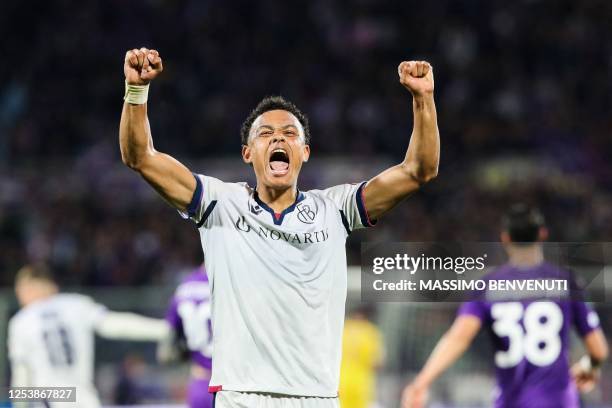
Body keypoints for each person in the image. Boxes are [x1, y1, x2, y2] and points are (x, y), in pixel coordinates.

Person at [119, 46, 439, 407]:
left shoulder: (334, 209)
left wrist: (423, 98)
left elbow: (419, 170)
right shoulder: (219, 203)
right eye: (265, 133)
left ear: (304, 152)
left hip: (315, 397)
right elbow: (140, 156)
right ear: (247, 152)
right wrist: (136, 92)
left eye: (290, 133)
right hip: (242, 397)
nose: (278, 138)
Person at [401, 204, 609, 408]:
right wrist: (588, 366)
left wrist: (421, 383)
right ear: (542, 234)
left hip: (511, 401)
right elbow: (598, 349)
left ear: (505, 238)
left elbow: (457, 338)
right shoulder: (567, 282)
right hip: (558, 401)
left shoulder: (487, 286)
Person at [8, 264, 171, 407]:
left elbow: (21, 376)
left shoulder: (21, 321)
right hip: (84, 398)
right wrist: (164, 329)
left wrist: (19, 404)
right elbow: (115, 324)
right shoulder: (76, 304)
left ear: (29, 287)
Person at [159, 265, 213, 408]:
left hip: (199, 381)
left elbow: (166, 346)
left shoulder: (185, 286)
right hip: (230, 383)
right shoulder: (225, 280)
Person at [339, 304, 385, 408]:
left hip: (341, 380)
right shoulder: (371, 332)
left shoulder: (343, 328)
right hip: (361, 384)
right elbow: (377, 363)